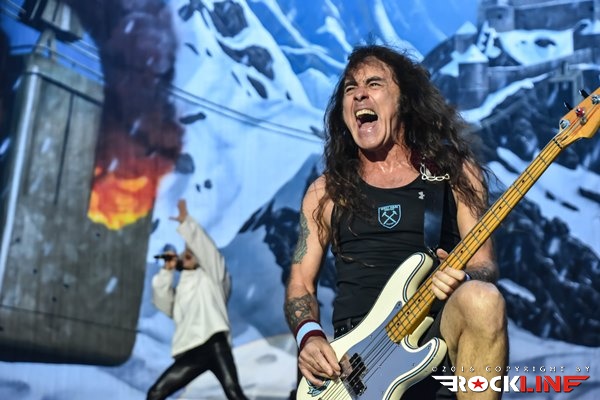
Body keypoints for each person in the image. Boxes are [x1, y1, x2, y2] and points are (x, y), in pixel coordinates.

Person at [284, 44, 508, 400]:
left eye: (374, 84)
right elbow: (300, 283)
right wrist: (308, 336)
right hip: (354, 366)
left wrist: (463, 279)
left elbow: (484, 263)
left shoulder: (454, 173)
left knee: (483, 299)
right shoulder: (325, 191)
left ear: (403, 101)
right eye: (350, 88)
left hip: (432, 338)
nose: (359, 94)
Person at [148, 199, 248, 400]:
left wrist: (186, 223)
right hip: (192, 351)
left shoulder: (213, 276)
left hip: (214, 343)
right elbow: (162, 301)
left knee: (234, 393)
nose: (188, 253)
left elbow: (207, 251)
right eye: (185, 253)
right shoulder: (181, 288)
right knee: (156, 393)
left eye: (192, 252)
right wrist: (167, 271)